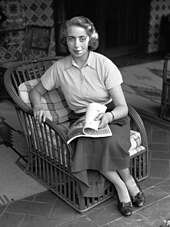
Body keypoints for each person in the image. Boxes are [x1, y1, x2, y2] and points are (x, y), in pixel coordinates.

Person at [29, 16, 145, 216]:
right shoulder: (59, 68)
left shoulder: (104, 64)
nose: (77, 45)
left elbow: (123, 107)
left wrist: (108, 118)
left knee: (109, 141)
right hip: (81, 119)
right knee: (90, 143)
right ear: (65, 40)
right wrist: (38, 105)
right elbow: (35, 92)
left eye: (82, 38)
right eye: (71, 39)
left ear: (90, 39)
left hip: (111, 116)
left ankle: (129, 180)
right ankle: (122, 186)